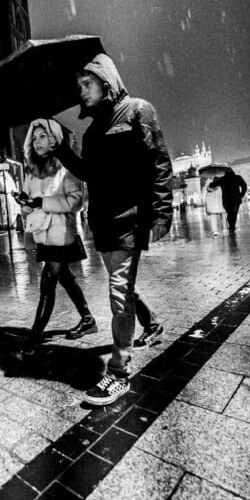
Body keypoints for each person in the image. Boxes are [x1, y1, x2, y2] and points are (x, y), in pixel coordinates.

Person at [52, 53, 173, 406]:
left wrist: (161, 213)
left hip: (130, 218)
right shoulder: (91, 132)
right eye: (78, 88)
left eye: (86, 84)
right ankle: (151, 324)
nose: (81, 92)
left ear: (105, 80)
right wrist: (62, 150)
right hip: (102, 222)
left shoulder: (138, 110)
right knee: (123, 287)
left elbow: (159, 163)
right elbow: (89, 173)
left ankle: (119, 373)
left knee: (119, 290)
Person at [15, 119, 97, 354]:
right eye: (34, 137)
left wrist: (43, 202)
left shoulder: (65, 166)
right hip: (43, 233)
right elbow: (29, 204)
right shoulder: (31, 171)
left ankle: (34, 337)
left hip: (62, 233)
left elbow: (76, 200)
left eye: (42, 136)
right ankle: (88, 319)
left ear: (53, 138)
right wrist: (26, 205)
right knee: (65, 279)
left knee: (48, 281)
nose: (37, 141)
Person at [208, 167, 247, 232]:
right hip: (236, 199)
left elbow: (212, 185)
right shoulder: (237, 177)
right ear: (232, 171)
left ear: (225, 172)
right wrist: (241, 195)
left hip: (226, 200)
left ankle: (231, 226)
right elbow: (244, 186)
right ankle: (232, 226)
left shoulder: (222, 179)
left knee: (229, 213)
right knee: (234, 214)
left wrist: (212, 182)